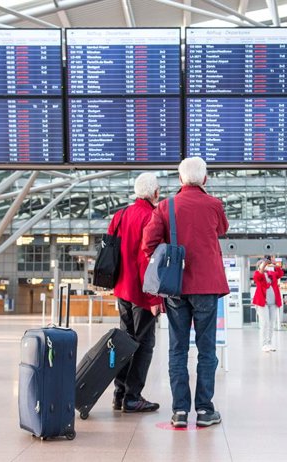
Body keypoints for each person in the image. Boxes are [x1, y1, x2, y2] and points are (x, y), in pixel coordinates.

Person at [142, 157, 229, 429]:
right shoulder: (214, 205)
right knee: (207, 349)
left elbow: (148, 243)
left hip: (176, 288)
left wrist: (165, 254)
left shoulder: (166, 206)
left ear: (180, 179)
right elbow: (222, 230)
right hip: (207, 287)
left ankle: (179, 411)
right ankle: (205, 410)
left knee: (177, 349)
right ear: (204, 179)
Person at [108, 172, 164, 413]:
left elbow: (111, 250)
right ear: (155, 193)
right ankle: (133, 397)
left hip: (122, 289)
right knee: (143, 344)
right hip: (142, 293)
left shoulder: (120, 215)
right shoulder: (151, 216)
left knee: (124, 340)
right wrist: (154, 298)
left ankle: (119, 393)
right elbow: (147, 260)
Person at [252, 257, 284, 352]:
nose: (266, 266)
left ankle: (269, 343)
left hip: (273, 303)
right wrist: (263, 265)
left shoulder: (272, 274)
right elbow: (258, 276)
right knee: (264, 323)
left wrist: (275, 265)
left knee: (271, 324)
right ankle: (264, 344)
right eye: (263, 265)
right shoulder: (257, 274)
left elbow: (280, 274)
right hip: (262, 303)